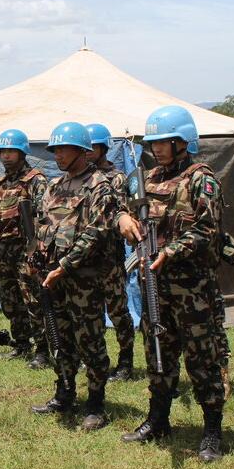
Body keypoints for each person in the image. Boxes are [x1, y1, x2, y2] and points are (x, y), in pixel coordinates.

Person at [117, 105, 227, 462]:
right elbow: (124, 203)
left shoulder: (200, 179)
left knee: (202, 359)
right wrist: (123, 218)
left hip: (192, 288)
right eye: (154, 142)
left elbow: (209, 229)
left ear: (184, 142)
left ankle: (212, 430)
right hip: (155, 287)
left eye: (165, 141)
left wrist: (172, 251)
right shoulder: (147, 179)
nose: (158, 148)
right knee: (157, 354)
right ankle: (158, 419)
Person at [28, 122, 117, 430]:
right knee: (60, 337)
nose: (58, 156)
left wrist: (64, 267)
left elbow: (96, 233)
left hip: (82, 278)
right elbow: (43, 225)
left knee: (90, 339)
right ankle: (64, 392)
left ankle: (95, 403)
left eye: (63, 149)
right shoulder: (54, 186)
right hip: (53, 278)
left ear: (81, 151)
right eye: (55, 150)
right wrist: (37, 258)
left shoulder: (99, 186)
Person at [0, 128, 48, 367]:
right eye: (3, 152)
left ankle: (42, 351)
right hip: (6, 251)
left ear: (22, 153)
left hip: (27, 249)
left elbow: (44, 218)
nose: (6, 156)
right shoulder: (0, 184)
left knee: (33, 301)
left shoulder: (35, 180)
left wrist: (37, 251)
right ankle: (21, 344)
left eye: (12, 151)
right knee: (10, 301)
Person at [84, 123, 137, 382]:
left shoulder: (115, 178)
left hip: (109, 257)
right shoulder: (79, 177)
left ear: (103, 148)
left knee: (118, 312)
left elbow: (117, 212)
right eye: (86, 147)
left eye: (94, 147)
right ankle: (96, 360)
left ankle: (126, 361)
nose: (89, 152)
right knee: (90, 313)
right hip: (84, 258)